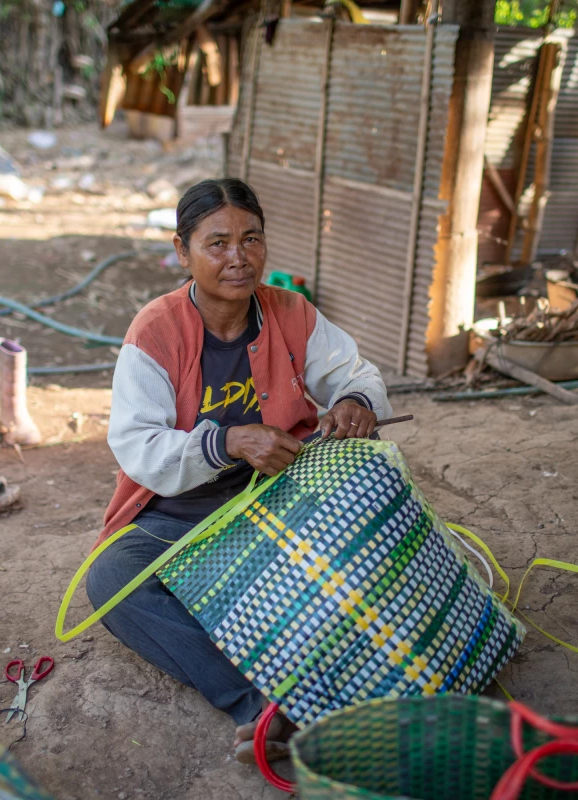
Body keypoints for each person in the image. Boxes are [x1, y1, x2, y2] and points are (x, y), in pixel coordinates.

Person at [85, 178, 392, 762]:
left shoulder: (290, 311)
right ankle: (260, 707)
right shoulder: (154, 331)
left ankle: (348, 679)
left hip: (282, 499)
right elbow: (139, 448)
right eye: (217, 243)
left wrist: (356, 401)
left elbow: (357, 373)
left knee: (373, 526)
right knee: (112, 582)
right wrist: (227, 442)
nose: (238, 258)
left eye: (251, 240)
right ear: (183, 251)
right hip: (178, 514)